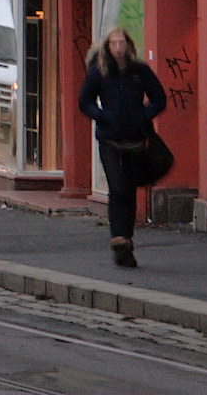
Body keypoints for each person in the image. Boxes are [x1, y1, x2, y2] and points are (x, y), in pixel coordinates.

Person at [78, 27, 167, 269]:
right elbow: (84, 102)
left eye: (122, 43)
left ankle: (125, 240)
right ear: (107, 47)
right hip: (109, 139)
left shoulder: (139, 71)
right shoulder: (100, 73)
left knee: (128, 190)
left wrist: (144, 116)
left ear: (128, 45)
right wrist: (102, 116)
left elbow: (159, 98)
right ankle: (118, 236)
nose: (118, 47)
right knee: (117, 187)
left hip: (135, 139)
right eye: (114, 43)